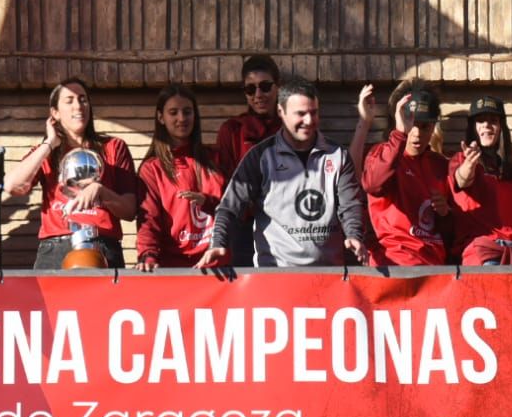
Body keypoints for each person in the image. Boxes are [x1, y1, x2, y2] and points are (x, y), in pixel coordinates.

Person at [201, 75, 365, 268]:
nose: (309, 120)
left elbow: (350, 204)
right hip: (276, 278)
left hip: (328, 277)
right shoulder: (261, 156)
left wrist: (354, 234)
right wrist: (218, 242)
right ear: (281, 111)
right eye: (301, 113)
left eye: (314, 113)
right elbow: (230, 206)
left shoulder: (338, 155)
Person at [5, 77, 140, 269]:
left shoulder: (113, 147)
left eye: (83, 99)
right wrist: (50, 143)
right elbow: (12, 186)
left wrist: (101, 192)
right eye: (69, 101)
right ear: (55, 113)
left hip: (102, 246)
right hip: (55, 248)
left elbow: (129, 210)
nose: (78, 106)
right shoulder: (45, 152)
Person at [358, 80, 452, 266]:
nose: (416, 133)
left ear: (433, 127)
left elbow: (454, 235)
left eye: (424, 126)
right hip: (395, 263)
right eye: (411, 124)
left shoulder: (441, 165)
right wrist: (400, 134)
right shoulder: (382, 153)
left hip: (435, 269)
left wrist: (445, 214)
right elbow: (373, 185)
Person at [136, 84, 225, 270]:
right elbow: (148, 219)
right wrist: (148, 255)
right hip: (173, 269)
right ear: (161, 117)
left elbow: (234, 207)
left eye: (187, 112)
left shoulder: (216, 157)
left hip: (217, 267)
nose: (181, 118)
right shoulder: (152, 168)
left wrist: (207, 201)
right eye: (173, 112)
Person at [449, 95, 512, 266]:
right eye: (480, 121)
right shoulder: (460, 159)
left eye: (493, 120)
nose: (487, 125)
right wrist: (470, 163)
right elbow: (462, 180)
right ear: (473, 128)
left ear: (501, 127)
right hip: (485, 254)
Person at [215, 55, 281, 179]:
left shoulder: (289, 128)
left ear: (278, 87)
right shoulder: (232, 131)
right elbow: (223, 181)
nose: (258, 95)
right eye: (250, 89)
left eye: (265, 87)